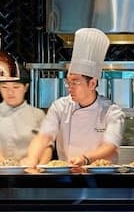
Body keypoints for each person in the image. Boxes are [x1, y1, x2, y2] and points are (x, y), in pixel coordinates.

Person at [21, 28, 124, 166]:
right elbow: (44, 136)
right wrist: (32, 158)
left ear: (92, 83)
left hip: (101, 174)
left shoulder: (112, 111)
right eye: (68, 82)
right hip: (68, 172)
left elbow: (110, 146)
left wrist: (85, 159)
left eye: (75, 82)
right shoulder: (60, 107)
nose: (70, 87)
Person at [0, 65, 50, 166]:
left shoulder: (38, 114)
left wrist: (41, 167)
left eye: (16, 87)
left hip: (31, 170)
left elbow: (47, 146)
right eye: (4, 87)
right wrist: (7, 166)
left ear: (26, 87)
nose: (10, 92)